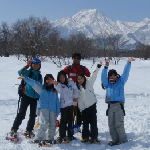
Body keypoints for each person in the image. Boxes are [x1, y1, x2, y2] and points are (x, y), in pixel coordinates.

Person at [101, 57, 135, 146]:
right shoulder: (107, 83)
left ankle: (123, 141)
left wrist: (128, 62)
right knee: (111, 125)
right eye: (110, 75)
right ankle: (115, 140)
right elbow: (102, 76)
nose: (112, 77)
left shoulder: (121, 82)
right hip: (110, 106)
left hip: (119, 106)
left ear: (117, 75)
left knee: (119, 124)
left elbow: (126, 73)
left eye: (114, 75)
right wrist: (106, 66)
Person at [18, 74, 60, 143]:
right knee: (44, 123)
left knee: (53, 124)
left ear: (53, 80)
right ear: (45, 80)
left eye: (50, 79)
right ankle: (39, 138)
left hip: (53, 109)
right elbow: (34, 83)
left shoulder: (55, 89)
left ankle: (50, 138)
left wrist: (57, 111)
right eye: (47, 79)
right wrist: (26, 78)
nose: (49, 80)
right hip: (44, 108)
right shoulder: (42, 88)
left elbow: (57, 101)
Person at [10, 58, 43, 138]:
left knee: (33, 115)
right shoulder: (28, 72)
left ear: (39, 66)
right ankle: (14, 129)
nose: (35, 66)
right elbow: (20, 73)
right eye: (34, 64)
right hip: (26, 96)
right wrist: (27, 65)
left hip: (35, 98)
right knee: (21, 113)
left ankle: (29, 130)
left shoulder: (39, 75)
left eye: (37, 65)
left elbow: (40, 86)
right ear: (32, 65)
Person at [76, 61, 102, 144]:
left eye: (81, 78)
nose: (80, 80)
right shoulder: (78, 89)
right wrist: (81, 109)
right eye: (78, 79)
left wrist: (98, 67)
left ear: (84, 78)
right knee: (85, 123)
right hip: (85, 108)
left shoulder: (89, 82)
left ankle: (94, 137)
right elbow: (79, 100)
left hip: (92, 105)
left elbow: (93, 75)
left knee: (93, 122)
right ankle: (85, 137)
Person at [62, 53, 91, 128]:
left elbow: (90, 76)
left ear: (80, 59)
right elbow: (61, 75)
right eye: (75, 58)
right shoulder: (68, 68)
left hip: (80, 92)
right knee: (70, 109)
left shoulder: (83, 68)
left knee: (79, 109)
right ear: (72, 59)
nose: (76, 59)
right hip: (70, 92)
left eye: (78, 58)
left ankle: (78, 125)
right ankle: (70, 124)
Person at [50, 71, 78, 143]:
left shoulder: (71, 82)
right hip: (64, 105)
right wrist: (56, 84)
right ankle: (62, 136)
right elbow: (60, 91)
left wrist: (75, 97)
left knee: (71, 120)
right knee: (63, 121)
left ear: (65, 77)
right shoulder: (59, 85)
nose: (62, 79)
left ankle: (70, 135)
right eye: (60, 77)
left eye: (63, 77)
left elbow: (75, 89)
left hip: (71, 104)